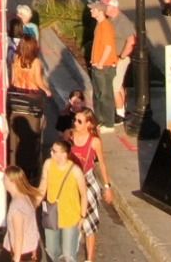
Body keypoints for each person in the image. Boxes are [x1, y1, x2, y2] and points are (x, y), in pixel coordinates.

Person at [64, 108, 113, 261]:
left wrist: (107, 187)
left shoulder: (94, 141)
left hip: (87, 180)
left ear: (89, 124)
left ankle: (90, 259)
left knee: (89, 224)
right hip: (70, 180)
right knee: (71, 219)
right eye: (75, 120)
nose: (75, 123)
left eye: (79, 121)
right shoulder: (69, 135)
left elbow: (102, 164)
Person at [9, 35, 50, 183]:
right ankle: (31, 170)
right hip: (32, 102)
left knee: (15, 138)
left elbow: (13, 80)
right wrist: (47, 91)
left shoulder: (16, 59)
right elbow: (38, 82)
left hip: (17, 101)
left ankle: (14, 167)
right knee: (32, 138)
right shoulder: (36, 62)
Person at [85, 0, 128, 131]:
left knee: (105, 96)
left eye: (93, 9)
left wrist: (101, 63)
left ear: (100, 11)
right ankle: (100, 121)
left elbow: (108, 47)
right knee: (98, 96)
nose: (91, 11)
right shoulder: (99, 25)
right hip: (97, 65)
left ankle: (109, 124)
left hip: (104, 67)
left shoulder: (106, 26)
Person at [41, 138, 86, 262]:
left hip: (70, 217)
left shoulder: (75, 171)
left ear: (64, 154)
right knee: (52, 251)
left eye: (54, 151)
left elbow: (83, 194)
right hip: (52, 216)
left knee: (68, 254)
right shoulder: (48, 164)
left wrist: (82, 216)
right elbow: (43, 186)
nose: (51, 153)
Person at [3, 166, 44, 262]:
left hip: (22, 253)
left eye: (5, 179)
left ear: (12, 182)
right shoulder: (26, 197)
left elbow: (18, 235)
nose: (3, 181)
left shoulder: (16, 206)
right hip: (32, 249)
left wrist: (16, 259)